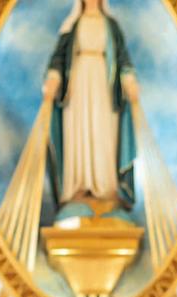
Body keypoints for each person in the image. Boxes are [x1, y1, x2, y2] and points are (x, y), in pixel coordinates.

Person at [42, 0, 139, 224]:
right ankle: (78, 188)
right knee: (78, 133)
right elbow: (58, 58)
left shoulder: (111, 25)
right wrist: (54, 79)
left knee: (103, 133)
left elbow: (123, 58)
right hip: (77, 89)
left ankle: (105, 190)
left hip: (104, 88)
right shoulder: (72, 24)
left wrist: (129, 80)